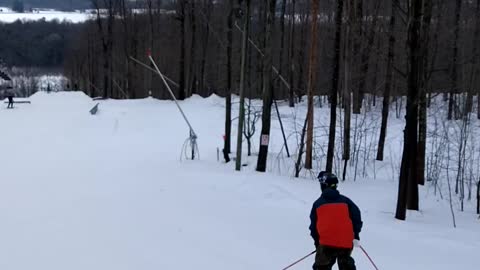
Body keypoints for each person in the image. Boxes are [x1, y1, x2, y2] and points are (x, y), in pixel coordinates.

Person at [309, 172, 363, 270]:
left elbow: (313, 228)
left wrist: (317, 244)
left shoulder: (317, 204)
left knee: (321, 266)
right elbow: (356, 218)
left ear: (323, 186)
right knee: (346, 265)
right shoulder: (346, 201)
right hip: (345, 243)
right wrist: (356, 235)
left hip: (326, 244)